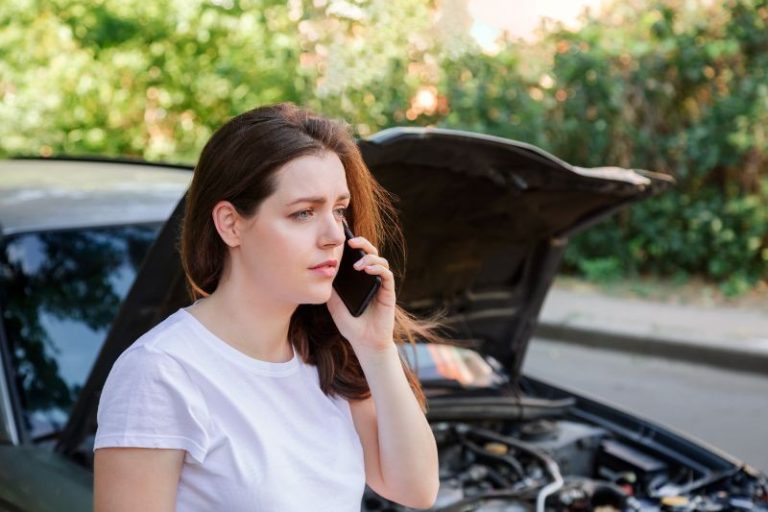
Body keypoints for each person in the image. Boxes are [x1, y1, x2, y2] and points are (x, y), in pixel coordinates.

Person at [92, 103, 442, 511]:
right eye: (303, 213)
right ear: (231, 224)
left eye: (339, 210)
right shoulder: (160, 373)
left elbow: (416, 489)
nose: (334, 235)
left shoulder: (329, 354)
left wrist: (376, 347)